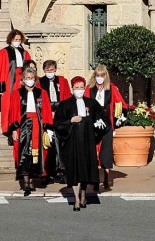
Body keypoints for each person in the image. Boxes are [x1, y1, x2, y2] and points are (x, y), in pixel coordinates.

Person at [54, 76, 107, 211]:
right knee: (74, 170)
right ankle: (76, 199)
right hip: (72, 143)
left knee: (85, 169)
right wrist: (70, 120)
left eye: (81, 87)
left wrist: (100, 124)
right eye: (76, 87)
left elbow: (101, 118)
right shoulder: (65, 104)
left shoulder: (92, 103)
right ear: (72, 89)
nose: (79, 90)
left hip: (87, 142)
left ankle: (83, 194)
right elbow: (58, 123)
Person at [7, 67, 53, 192]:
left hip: (38, 126)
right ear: (23, 80)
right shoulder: (17, 93)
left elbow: (47, 111)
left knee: (37, 153)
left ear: (36, 79)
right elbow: (13, 112)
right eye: (27, 78)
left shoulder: (42, 93)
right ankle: (25, 182)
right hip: (23, 126)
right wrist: (14, 129)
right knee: (23, 153)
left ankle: (33, 180)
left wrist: (48, 128)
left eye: (32, 78)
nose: (30, 80)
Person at [85, 64, 126, 191]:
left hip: (107, 123)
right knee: (93, 152)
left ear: (105, 76)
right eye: (97, 75)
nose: (100, 78)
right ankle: (95, 180)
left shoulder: (112, 88)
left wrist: (119, 117)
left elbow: (121, 104)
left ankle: (107, 179)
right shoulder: (89, 89)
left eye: (102, 75)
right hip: (93, 124)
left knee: (106, 152)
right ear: (94, 76)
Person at [0, 29, 31, 135]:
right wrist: (0, 88)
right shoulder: (3, 52)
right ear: (11, 39)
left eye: (19, 39)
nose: (17, 41)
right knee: (8, 105)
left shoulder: (25, 53)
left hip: (22, 81)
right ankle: (8, 129)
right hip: (9, 81)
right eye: (15, 39)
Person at [40, 60, 72, 183]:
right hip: (47, 116)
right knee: (48, 145)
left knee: (61, 145)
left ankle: (61, 171)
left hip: (60, 117)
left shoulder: (62, 81)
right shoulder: (40, 82)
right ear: (44, 71)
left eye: (52, 70)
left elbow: (67, 98)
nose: (50, 72)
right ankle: (48, 173)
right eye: (48, 70)